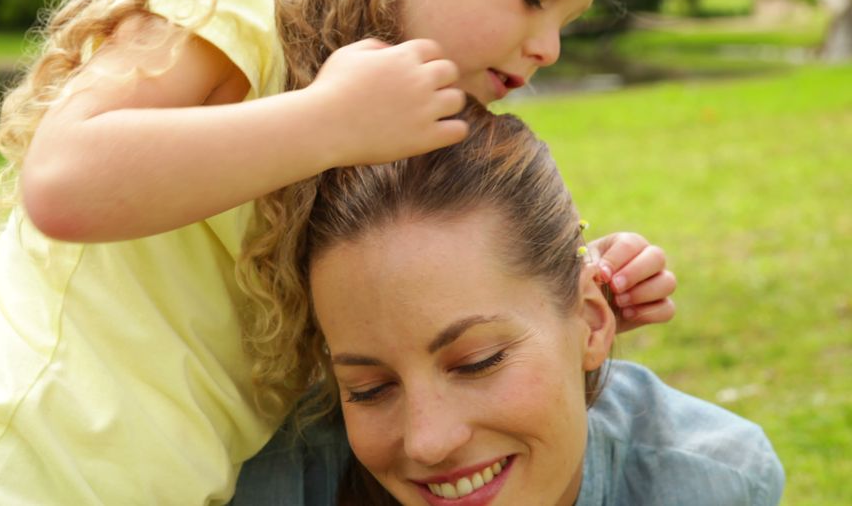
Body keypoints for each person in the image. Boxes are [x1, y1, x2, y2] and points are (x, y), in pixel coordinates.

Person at [0, 0, 676, 504]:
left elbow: (407, 296)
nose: (549, 44)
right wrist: (330, 122)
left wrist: (570, 292)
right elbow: (65, 179)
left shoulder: (363, 116)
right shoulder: (235, 5)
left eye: (568, 18)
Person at [233, 101, 783, 505]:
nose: (428, 442)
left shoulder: (712, 483)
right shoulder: (277, 482)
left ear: (592, 322)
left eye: (478, 362)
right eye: (369, 390)